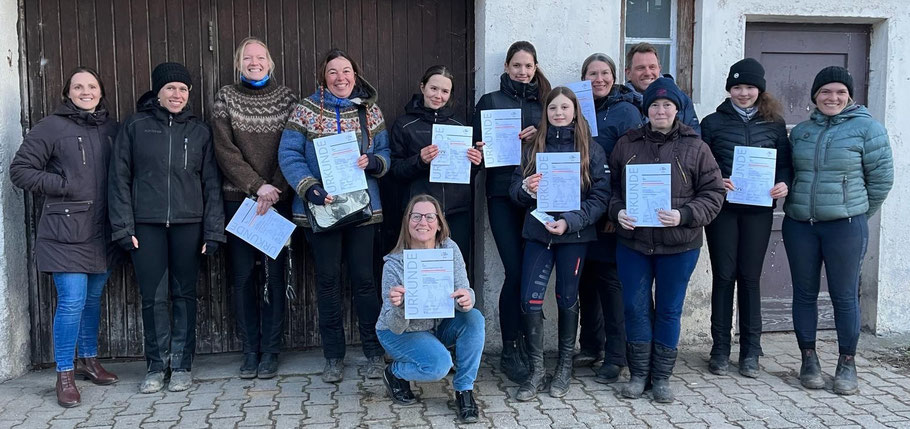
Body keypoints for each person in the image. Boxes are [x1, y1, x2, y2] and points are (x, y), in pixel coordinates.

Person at [108, 62, 226, 394]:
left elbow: (211, 185)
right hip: (146, 226)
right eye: (171, 88)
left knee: (185, 296)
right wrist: (122, 226)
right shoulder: (135, 126)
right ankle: (156, 367)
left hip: (189, 225)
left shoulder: (200, 131)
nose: (177, 94)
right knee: (153, 298)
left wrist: (213, 231)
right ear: (158, 92)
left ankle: (183, 365)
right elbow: (119, 179)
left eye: (183, 89)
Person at [10, 67, 120, 408]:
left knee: (91, 299)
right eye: (78, 86)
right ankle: (65, 373)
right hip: (65, 231)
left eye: (91, 86)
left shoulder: (111, 128)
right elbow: (20, 170)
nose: (85, 91)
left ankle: (88, 359)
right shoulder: (51, 127)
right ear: (67, 92)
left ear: (101, 91)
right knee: (72, 300)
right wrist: (63, 186)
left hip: (102, 229)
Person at [608, 77, 724, 403]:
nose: (661, 110)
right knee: (634, 308)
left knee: (670, 311)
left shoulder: (696, 147)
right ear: (646, 110)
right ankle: (638, 374)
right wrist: (617, 212)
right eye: (655, 105)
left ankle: (661, 377)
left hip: (679, 244)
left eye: (667, 105)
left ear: (677, 109)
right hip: (634, 241)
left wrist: (685, 214)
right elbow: (612, 190)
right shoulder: (627, 143)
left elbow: (714, 194)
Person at [278, 48, 389, 383]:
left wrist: (373, 163)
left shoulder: (370, 111)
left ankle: (373, 351)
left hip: (362, 211)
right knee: (327, 284)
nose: (341, 78)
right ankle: (333, 357)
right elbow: (289, 153)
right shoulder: (305, 110)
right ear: (322, 77)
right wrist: (308, 187)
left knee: (365, 281)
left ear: (356, 75)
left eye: (346, 72)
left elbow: (385, 152)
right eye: (333, 72)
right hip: (320, 210)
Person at [783, 66, 893, 395]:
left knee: (844, 296)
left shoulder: (868, 130)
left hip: (845, 227)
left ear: (850, 96)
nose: (833, 98)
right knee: (803, 294)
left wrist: (853, 212)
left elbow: (882, 181)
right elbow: (790, 173)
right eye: (826, 92)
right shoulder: (801, 132)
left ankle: (847, 362)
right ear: (814, 96)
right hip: (800, 224)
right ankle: (809, 359)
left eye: (840, 92)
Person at [510, 86, 610, 400]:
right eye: (553, 108)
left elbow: (600, 197)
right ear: (546, 112)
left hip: (574, 236)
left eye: (565, 108)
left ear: (575, 112)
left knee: (567, 299)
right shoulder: (532, 147)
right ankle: (537, 369)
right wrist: (525, 188)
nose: (558, 113)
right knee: (530, 299)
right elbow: (514, 190)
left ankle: (564, 366)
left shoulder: (591, 149)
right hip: (538, 234)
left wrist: (570, 221)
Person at [212, 37, 298, 380]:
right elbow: (225, 150)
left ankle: (271, 351)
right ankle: (251, 349)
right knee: (244, 278)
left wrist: (274, 188)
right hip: (239, 202)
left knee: (276, 279)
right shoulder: (225, 97)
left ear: (270, 61)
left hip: (278, 202)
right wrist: (255, 186)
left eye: (260, 57)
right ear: (238, 63)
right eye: (248, 58)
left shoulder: (288, 98)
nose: (254, 62)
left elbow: (293, 144)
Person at [700, 58, 792, 378]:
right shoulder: (712, 123)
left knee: (750, 278)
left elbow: (785, 165)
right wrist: (717, 180)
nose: (743, 93)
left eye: (749, 87)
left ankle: (751, 350)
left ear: (760, 90)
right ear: (729, 89)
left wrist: (784, 184)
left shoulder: (775, 124)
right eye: (737, 87)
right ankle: (720, 348)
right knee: (724, 277)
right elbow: (701, 165)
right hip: (723, 210)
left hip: (758, 210)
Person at [472, 40, 551, 384]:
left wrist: (539, 136)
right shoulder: (490, 102)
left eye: (528, 66)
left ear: (535, 68)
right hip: (501, 194)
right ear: (506, 67)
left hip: (536, 196)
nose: (522, 71)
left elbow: (563, 141)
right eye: (516, 65)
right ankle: (509, 349)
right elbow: (473, 148)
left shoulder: (544, 103)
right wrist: (478, 149)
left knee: (531, 273)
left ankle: (528, 347)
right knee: (515, 272)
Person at [376, 194, 484, 423]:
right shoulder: (394, 264)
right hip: (400, 332)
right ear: (407, 221)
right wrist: (400, 306)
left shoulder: (449, 249)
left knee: (474, 318)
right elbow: (394, 326)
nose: (422, 222)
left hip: (437, 326)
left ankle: (464, 391)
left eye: (429, 216)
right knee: (438, 365)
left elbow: (464, 290)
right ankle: (394, 372)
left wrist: (467, 298)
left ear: (438, 223)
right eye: (416, 216)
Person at [574, 53, 643, 383]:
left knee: (610, 283)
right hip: (582, 209)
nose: (598, 79)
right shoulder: (577, 108)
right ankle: (591, 345)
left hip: (611, 209)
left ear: (615, 77)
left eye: (604, 73)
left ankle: (617, 355)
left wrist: (617, 209)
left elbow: (633, 163)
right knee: (586, 278)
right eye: (591, 73)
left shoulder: (626, 111)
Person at [390, 65, 484, 263]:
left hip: (456, 211)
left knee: (455, 269)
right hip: (420, 215)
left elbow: (467, 173)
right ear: (422, 87)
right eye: (434, 88)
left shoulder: (460, 125)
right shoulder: (404, 124)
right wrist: (420, 160)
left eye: (444, 91)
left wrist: (475, 162)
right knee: (420, 269)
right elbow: (395, 170)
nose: (438, 96)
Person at [623, 42, 700, 135]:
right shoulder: (621, 103)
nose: (647, 73)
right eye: (641, 68)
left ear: (659, 69)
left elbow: (694, 141)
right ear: (628, 73)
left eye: (652, 67)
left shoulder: (682, 100)